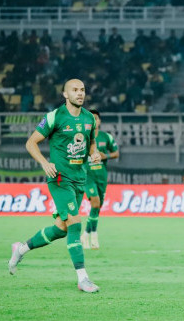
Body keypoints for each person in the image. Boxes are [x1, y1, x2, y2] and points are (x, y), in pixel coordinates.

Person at [8, 79, 102, 293]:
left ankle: (21, 248)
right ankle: (83, 279)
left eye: (82, 90)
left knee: (61, 229)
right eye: (75, 90)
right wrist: (44, 163)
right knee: (75, 224)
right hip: (59, 179)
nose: (80, 93)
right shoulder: (55, 116)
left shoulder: (89, 118)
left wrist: (94, 153)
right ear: (65, 94)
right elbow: (31, 143)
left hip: (79, 179)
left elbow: (91, 143)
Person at [81, 110, 119, 250]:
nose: (94, 121)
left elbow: (116, 153)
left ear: (99, 121)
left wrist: (105, 156)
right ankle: (94, 236)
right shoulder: (82, 137)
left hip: (102, 176)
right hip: (88, 176)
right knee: (95, 203)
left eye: (96, 118)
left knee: (96, 207)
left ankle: (85, 234)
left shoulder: (106, 137)